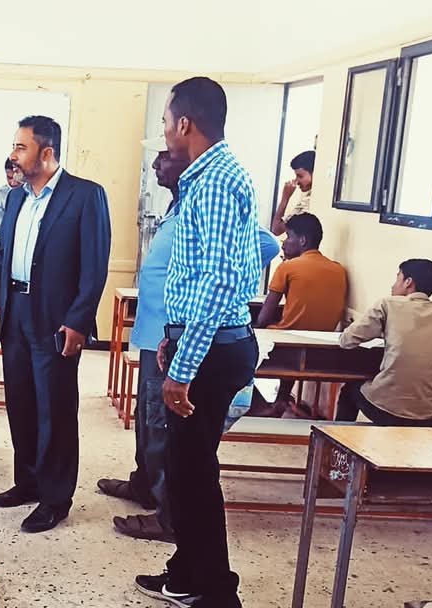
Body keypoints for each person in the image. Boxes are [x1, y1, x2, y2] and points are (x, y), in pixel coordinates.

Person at [97, 137, 280, 542]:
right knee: (148, 419)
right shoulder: (178, 206)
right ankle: (145, 484)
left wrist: (232, 283)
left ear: (185, 164)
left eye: (164, 158)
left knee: (164, 426)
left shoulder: (210, 198)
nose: (156, 166)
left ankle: (168, 512)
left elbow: (264, 245)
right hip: (157, 334)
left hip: (182, 333)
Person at [135, 77, 260, 608]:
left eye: (166, 122)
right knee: (186, 470)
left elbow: (218, 282)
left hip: (211, 351)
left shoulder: (214, 184)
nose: (165, 132)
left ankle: (216, 592)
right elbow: (215, 273)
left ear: (185, 123)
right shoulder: (213, 176)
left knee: (195, 475)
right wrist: (175, 336)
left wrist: (183, 367)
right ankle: (186, 573)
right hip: (203, 340)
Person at [0, 115, 111, 533]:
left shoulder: (85, 196)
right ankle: (28, 481)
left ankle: (55, 497)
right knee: (22, 402)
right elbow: (3, 256)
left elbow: (95, 265)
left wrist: (79, 321)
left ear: (46, 152)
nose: (13, 155)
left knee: (55, 408)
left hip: (56, 319)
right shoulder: (15, 199)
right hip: (16, 313)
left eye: (20, 147)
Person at [250, 212, 347, 417]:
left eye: (288, 237)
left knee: (239, 346)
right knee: (289, 328)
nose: (284, 243)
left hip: (287, 346)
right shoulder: (339, 270)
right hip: (324, 347)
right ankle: (282, 399)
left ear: (302, 240)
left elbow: (265, 316)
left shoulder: (288, 267)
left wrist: (254, 329)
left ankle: (261, 406)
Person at [337, 259, 432, 426]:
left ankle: (337, 436)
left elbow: (346, 341)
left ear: (408, 282)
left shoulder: (388, 304)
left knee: (350, 391)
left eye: (397, 278)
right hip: (429, 413)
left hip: (388, 410)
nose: (393, 286)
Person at [270, 150, 315, 236]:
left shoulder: (310, 202)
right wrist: (285, 198)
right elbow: (276, 229)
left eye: (300, 176)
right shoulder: (305, 198)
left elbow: (276, 229)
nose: (296, 181)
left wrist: (285, 198)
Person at [0, 158, 23, 250]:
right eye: (9, 177)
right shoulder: (0, 196)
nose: (13, 183)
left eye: (17, 178)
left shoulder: (35, 195)